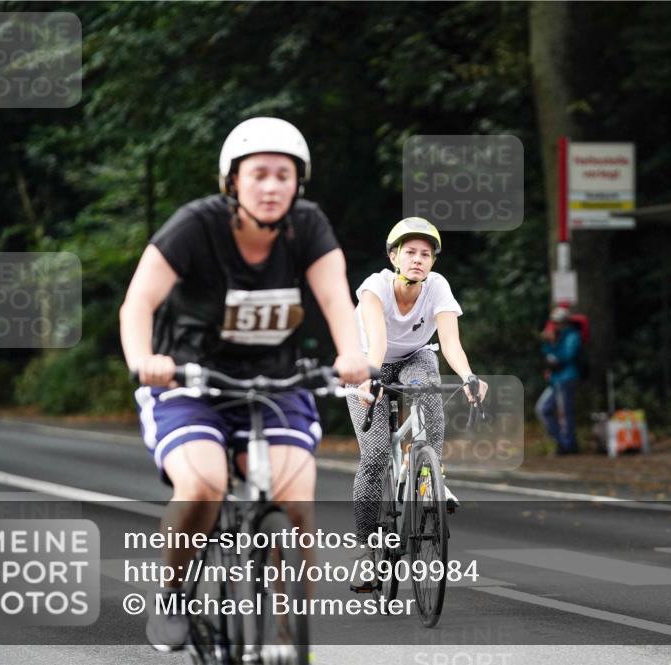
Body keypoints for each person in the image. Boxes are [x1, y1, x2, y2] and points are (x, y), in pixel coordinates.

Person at [119, 117, 369, 651]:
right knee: (205, 485)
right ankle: (172, 594)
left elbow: (335, 300)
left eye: (284, 174)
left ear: (298, 183)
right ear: (232, 181)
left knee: (296, 502)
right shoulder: (195, 226)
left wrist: (352, 354)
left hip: (275, 383)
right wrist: (145, 359)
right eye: (259, 174)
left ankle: (285, 638)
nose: (272, 186)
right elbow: (138, 301)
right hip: (192, 383)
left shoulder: (309, 227)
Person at [344, 217, 487, 592]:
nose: (418, 260)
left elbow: (450, 342)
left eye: (426, 254)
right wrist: (370, 378)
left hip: (415, 357)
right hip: (367, 360)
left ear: (433, 262)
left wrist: (470, 376)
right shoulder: (375, 287)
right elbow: (376, 339)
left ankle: (430, 479)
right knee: (374, 456)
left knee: (429, 394)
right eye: (410, 252)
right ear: (394, 256)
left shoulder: (437, 287)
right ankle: (366, 549)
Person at [536, 306, 582, 455]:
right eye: (554, 322)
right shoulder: (555, 336)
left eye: (559, 322)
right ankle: (561, 441)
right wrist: (549, 342)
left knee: (564, 414)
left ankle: (568, 445)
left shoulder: (572, 336)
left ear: (565, 322)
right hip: (555, 380)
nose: (556, 325)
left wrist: (555, 346)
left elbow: (567, 355)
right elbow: (547, 354)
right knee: (543, 409)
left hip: (567, 377)